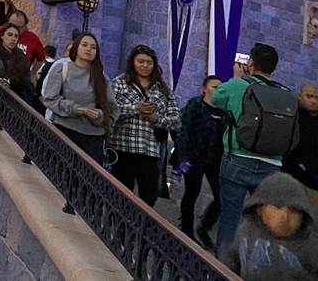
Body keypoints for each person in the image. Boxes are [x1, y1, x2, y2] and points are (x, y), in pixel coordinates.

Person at [213, 42, 302, 255]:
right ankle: (257, 264)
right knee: (264, 221)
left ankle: (223, 264)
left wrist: (236, 77)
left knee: (230, 216)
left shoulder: (238, 85)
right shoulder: (285, 93)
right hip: (272, 165)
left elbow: (216, 99)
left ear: (250, 63)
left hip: (237, 159)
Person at [110, 44, 181, 206]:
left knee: (149, 198)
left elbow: (176, 120)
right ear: (133, 62)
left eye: (149, 62)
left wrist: (156, 119)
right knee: (119, 197)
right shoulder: (119, 83)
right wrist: (136, 108)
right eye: (140, 61)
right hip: (123, 148)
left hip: (150, 151)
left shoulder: (163, 89)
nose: (145, 65)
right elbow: (110, 111)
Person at [225, 171, 318, 280]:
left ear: (303, 215)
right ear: (260, 209)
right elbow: (230, 261)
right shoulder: (246, 231)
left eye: (294, 210)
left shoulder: (310, 247)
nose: (285, 217)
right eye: (278, 208)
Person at [40, 32, 113, 164]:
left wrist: (99, 115)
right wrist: (76, 109)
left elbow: (112, 108)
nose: (88, 49)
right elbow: (50, 98)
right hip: (64, 131)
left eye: (93, 47)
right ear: (76, 47)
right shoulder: (62, 67)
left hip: (93, 138)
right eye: (84, 45)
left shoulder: (102, 77)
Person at [177, 75, 226, 246]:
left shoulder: (224, 111)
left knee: (221, 197)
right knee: (192, 193)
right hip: (194, 157)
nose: (218, 90)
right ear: (204, 89)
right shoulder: (194, 105)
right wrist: (184, 157)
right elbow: (184, 131)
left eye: (220, 88)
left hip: (215, 161)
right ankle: (186, 229)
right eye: (214, 87)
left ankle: (204, 227)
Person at [0, 23, 38, 108]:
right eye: (10, 35)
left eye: (16, 36)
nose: (13, 38)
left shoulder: (21, 56)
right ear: (2, 36)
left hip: (14, 101)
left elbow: (25, 81)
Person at [284, 82, 318, 209]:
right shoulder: (291, 117)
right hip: (292, 179)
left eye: (317, 98)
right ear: (299, 96)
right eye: (309, 96)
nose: (313, 101)